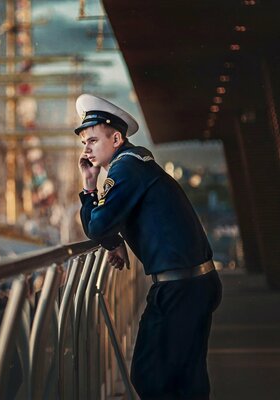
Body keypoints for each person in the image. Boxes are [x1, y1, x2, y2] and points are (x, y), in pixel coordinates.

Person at [74, 94, 222, 399]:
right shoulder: (137, 163)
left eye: (92, 140)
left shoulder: (126, 169)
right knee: (187, 381)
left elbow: (98, 224)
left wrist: (89, 186)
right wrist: (114, 241)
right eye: (84, 143)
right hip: (194, 282)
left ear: (116, 138)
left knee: (149, 374)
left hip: (179, 288)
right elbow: (119, 220)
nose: (86, 149)